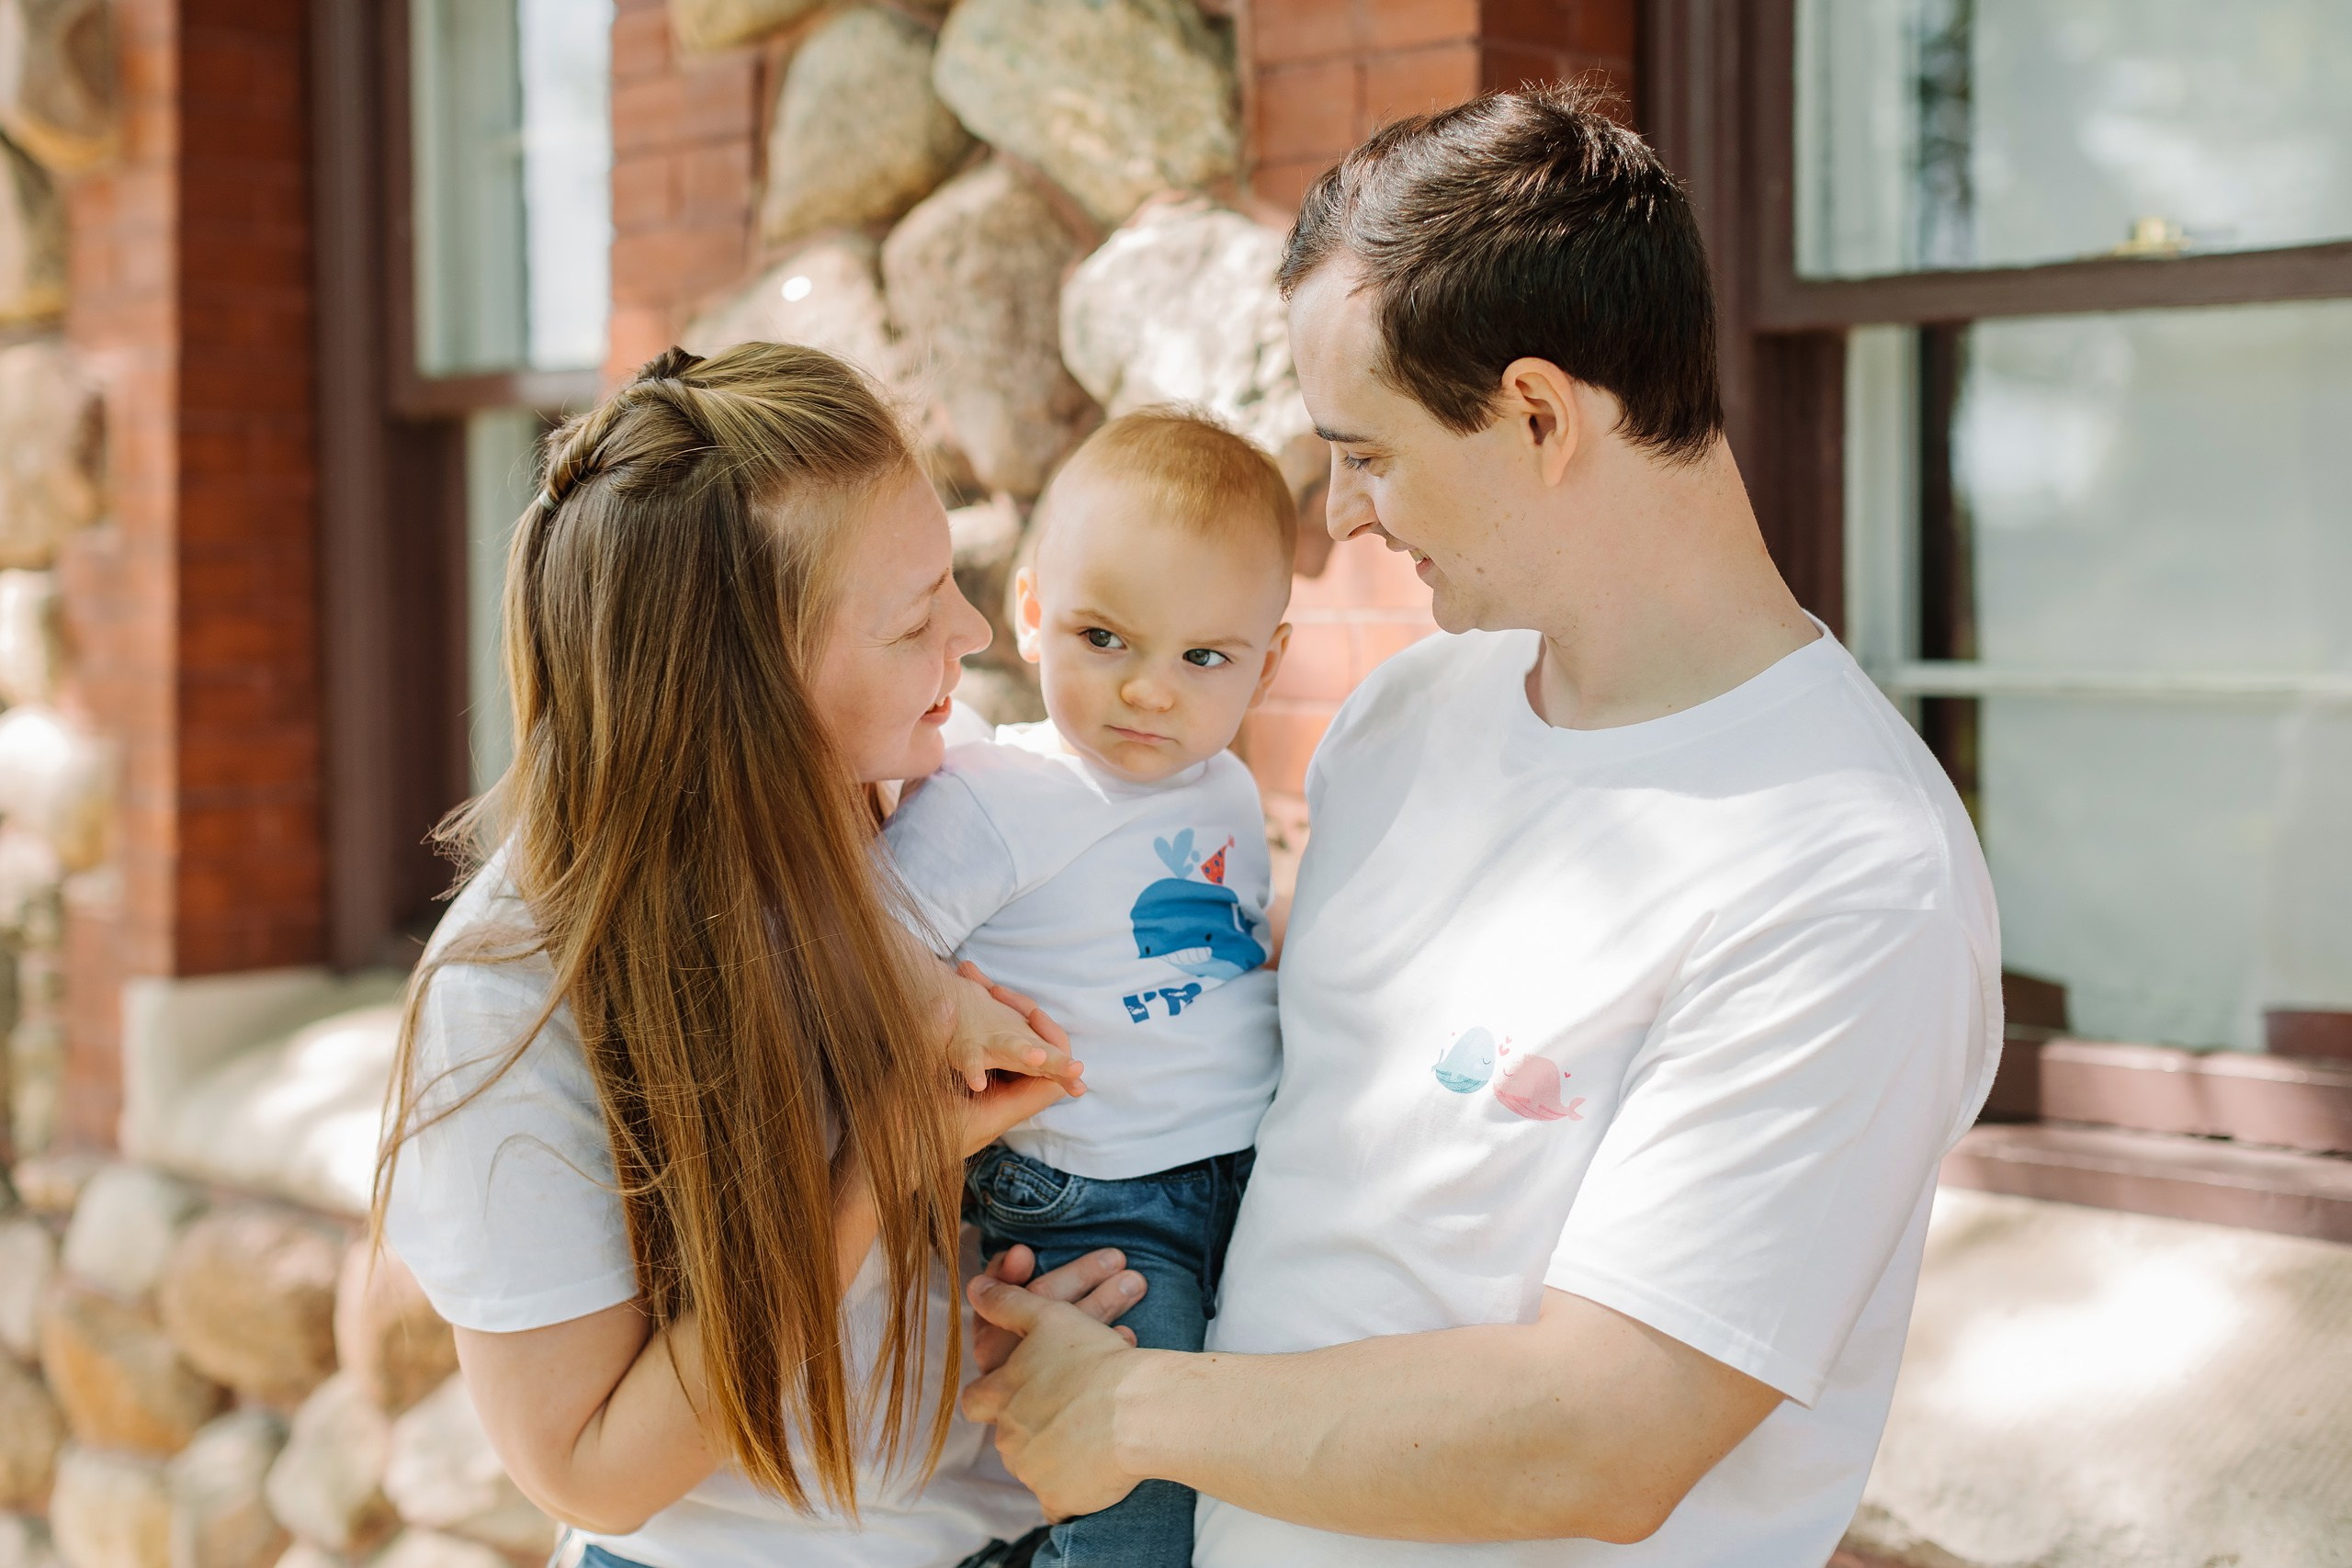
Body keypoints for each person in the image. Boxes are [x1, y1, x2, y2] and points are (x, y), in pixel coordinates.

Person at [958, 85, 2003, 1566]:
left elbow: (1606, 1433)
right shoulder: (1404, 719)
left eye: (1369, 452)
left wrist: (1128, 1412)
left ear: (1536, 412)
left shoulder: (1850, 873)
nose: (1344, 519)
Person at [373, 343, 1147, 1568]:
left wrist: (1078, 1280)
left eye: (952, 578)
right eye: (910, 622)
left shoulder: (954, 803)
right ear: (745, 693)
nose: (974, 628)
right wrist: (883, 1150)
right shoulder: (515, 991)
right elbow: (586, 1465)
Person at [882, 409, 1295, 1568]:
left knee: (1255, 1483)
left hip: (1252, 1178)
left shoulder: (1220, 789)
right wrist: (937, 1003)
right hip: (1099, 1198)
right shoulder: (999, 793)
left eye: (1202, 657)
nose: (1150, 693)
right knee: (1139, 1506)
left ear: (1271, 659)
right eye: (1105, 638)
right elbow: (854, 939)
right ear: (1027, 612)